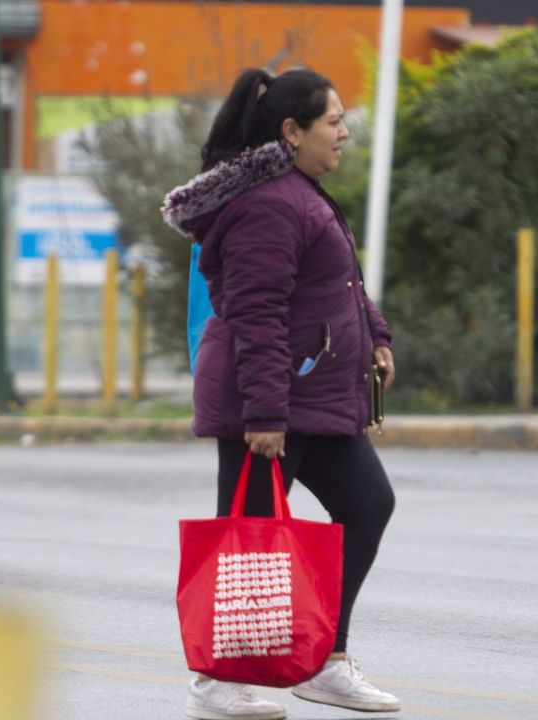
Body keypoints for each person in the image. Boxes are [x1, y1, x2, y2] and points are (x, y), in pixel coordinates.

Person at [162, 67, 400, 720]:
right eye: (333, 121)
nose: (345, 132)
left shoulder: (304, 192)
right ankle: (215, 679)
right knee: (249, 538)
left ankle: (327, 661)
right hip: (268, 401)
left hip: (311, 395)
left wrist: (375, 335)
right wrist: (265, 413)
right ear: (293, 132)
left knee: (368, 503)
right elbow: (257, 313)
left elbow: (340, 283)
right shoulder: (270, 204)